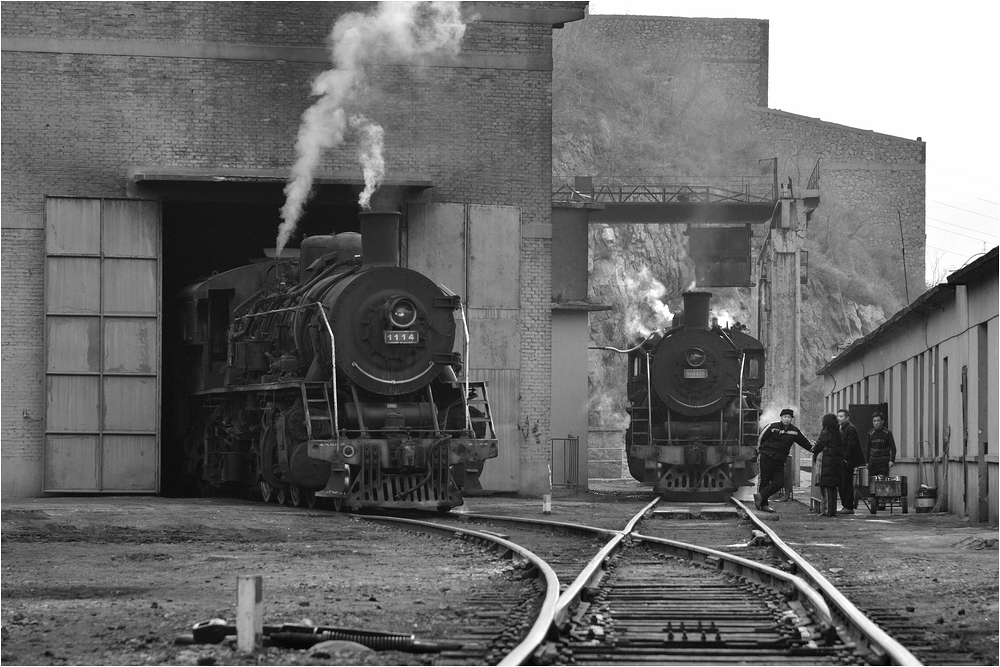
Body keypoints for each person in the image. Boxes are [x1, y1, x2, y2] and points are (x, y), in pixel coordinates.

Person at [754, 408, 814, 513]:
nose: (787, 419)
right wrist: (758, 452)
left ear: (792, 419)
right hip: (766, 457)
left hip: (780, 460)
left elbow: (804, 442)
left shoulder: (794, 431)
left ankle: (760, 496)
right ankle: (763, 504)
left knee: (779, 482)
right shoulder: (772, 426)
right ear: (781, 417)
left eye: (789, 417)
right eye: (785, 417)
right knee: (764, 481)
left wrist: (814, 449)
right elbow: (761, 438)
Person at [812, 413, 844, 517]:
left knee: (826, 487)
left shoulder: (826, 433)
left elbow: (819, 446)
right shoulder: (839, 433)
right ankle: (832, 510)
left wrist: (814, 447)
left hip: (826, 463)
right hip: (836, 463)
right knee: (833, 488)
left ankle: (827, 511)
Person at [836, 408, 865, 514]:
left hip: (847, 461)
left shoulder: (850, 428)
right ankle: (846, 505)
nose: (839, 418)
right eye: (838, 416)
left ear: (847, 417)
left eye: (841, 416)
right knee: (843, 483)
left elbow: (851, 445)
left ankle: (848, 506)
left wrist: (845, 459)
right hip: (843, 460)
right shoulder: (841, 428)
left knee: (846, 483)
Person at [867, 412, 897, 477]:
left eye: (878, 421)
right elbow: (868, 448)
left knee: (882, 482)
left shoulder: (887, 433)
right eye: (874, 421)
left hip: (883, 463)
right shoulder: (870, 433)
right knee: (872, 482)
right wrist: (867, 462)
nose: (876, 423)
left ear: (882, 421)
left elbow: (893, 448)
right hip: (873, 463)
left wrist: (892, 460)